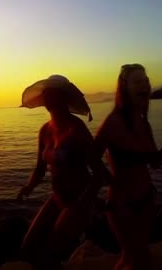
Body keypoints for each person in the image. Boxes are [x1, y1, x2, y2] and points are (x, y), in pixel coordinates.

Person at [93, 64, 162, 270]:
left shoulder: (144, 122)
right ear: (125, 88)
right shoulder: (113, 122)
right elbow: (91, 156)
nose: (145, 85)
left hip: (146, 200)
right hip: (123, 206)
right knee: (138, 260)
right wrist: (105, 180)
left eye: (146, 80)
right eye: (138, 81)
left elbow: (156, 163)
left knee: (131, 258)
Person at [17, 75, 107, 269]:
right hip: (57, 198)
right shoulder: (45, 130)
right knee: (29, 247)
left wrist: (83, 205)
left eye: (53, 93)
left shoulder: (77, 129)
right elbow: (40, 169)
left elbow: (99, 173)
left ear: (64, 98)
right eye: (46, 93)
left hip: (78, 200)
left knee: (54, 248)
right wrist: (28, 187)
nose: (48, 97)